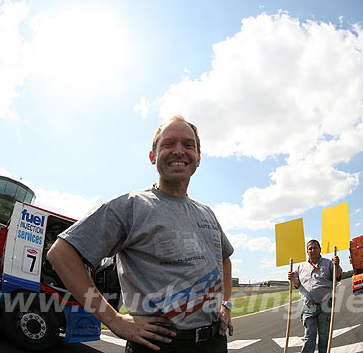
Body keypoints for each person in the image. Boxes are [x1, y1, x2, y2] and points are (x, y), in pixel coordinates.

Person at [48, 115, 234, 352]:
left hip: (214, 342)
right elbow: (61, 254)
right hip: (159, 344)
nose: (179, 151)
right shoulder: (131, 206)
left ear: (198, 158)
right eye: (168, 144)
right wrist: (114, 320)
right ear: (152, 156)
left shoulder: (206, 212)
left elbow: (225, 259)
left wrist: (225, 305)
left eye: (188, 145)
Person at [288, 239, 341, 353]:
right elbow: (297, 285)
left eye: (315, 247)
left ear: (320, 249)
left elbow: (337, 276)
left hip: (325, 305)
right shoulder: (300, 267)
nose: (312, 250)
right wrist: (293, 279)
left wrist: (337, 265)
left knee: (324, 335)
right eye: (310, 248)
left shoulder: (329, 263)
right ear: (307, 251)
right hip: (308, 307)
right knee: (309, 335)